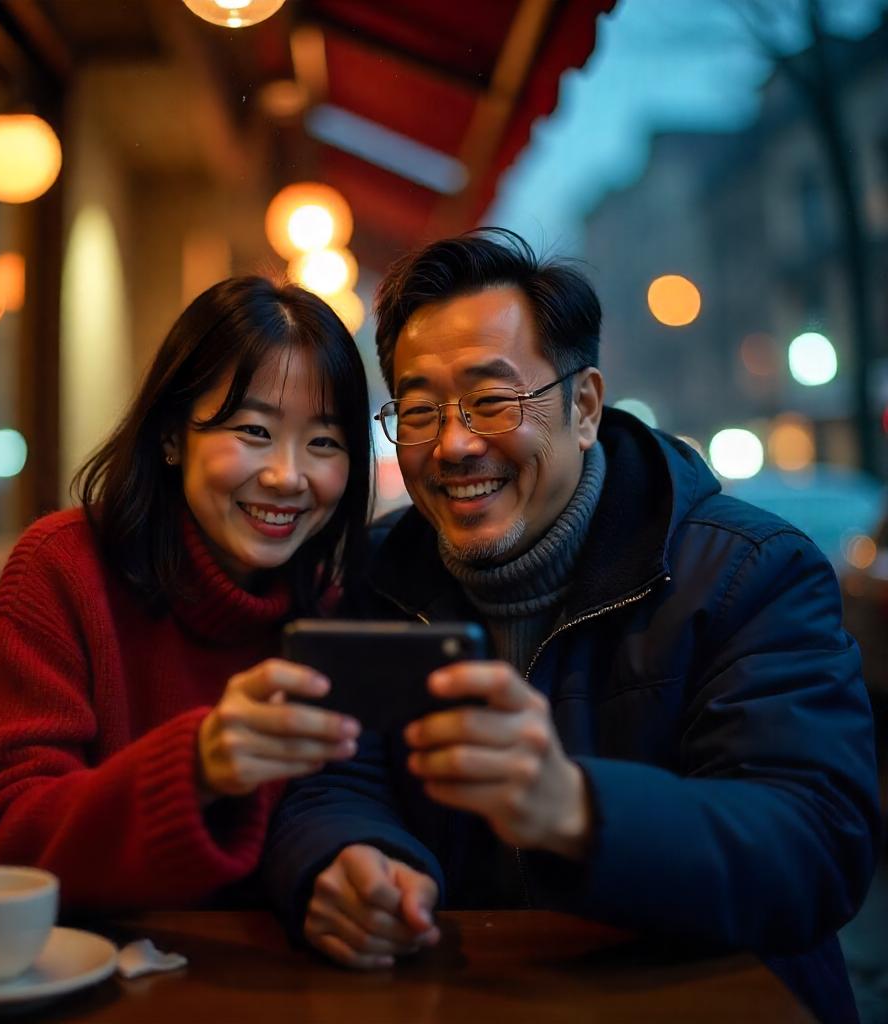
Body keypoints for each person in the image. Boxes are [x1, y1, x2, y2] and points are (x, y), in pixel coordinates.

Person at [264, 230, 880, 1023]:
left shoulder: (748, 575)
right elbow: (331, 778)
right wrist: (348, 859)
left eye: (492, 402)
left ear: (583, 406)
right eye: (418, 412)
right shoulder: (374, 576)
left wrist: (579, 809)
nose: (454, 444)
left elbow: (816, 843)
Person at [0, 276, 372, 910]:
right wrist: (195, 768)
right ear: (173, 436)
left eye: (323, 443)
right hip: (21, 952)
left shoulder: (334, 610)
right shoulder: (64, 566)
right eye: (254, 431)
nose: (288, 476)